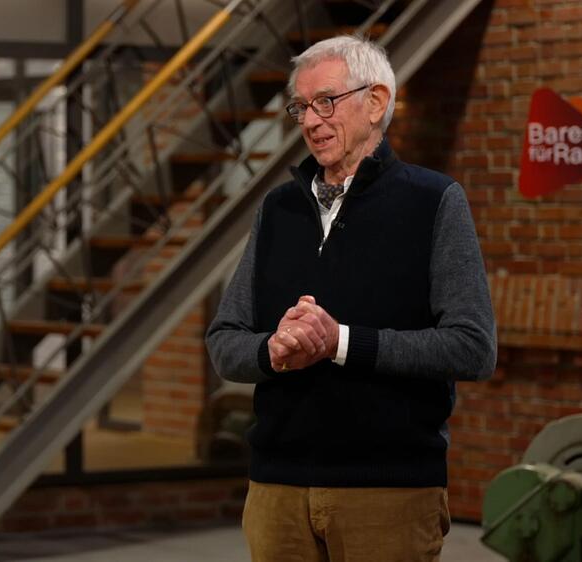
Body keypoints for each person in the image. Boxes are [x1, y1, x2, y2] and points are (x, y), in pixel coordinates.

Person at [205, 34, 497, 562]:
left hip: (387, 491)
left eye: (326, 101)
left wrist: (340, 343)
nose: (310, 121)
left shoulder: (434, 201)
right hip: (276, 489)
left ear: (376, 102)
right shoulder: (278, 210)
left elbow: (472, 347)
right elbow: (225, 340)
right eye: (300, 107)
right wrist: (272, 350)